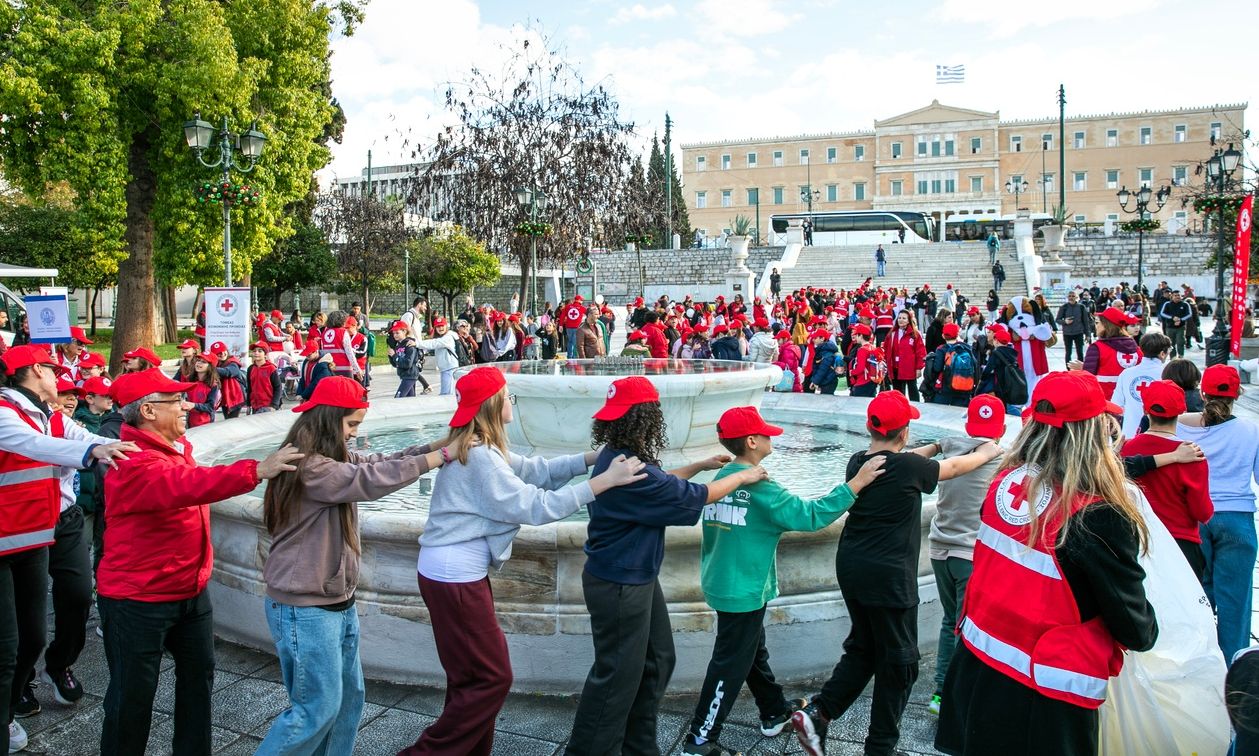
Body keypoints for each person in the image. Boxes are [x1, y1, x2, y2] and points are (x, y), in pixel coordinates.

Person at [401, 368, 645, 755]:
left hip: (452, 572)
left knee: (470, 680)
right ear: (495, 403)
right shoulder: (480, 456)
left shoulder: (480, 444)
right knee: (492, 679)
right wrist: (602, 483)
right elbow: (535, 506)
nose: (511, 400)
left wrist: (590, 459)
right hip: (455, 576)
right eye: (508, 395)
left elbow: (536, 472)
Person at [935, 370, 1158, 756]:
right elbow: (1137, 630)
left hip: (977, 668)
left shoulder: (1005, 480)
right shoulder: (1097, 515)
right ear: (1092, 432)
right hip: (1046, 698)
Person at [96, 368, 302, 756]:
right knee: (131, 700)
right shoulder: (133, 460)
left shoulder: (178, 447)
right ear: (149, 412)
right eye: (176, 401)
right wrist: (256, 470)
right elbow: (187, 486)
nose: (187, 406)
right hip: (137, 601)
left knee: (198, 687)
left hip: (189, 592)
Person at [255, 377, 461, 755]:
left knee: (348, 702)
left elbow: (378, 462)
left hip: (334, 603)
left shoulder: (334, 456)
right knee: (314, 711)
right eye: (350, 425)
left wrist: (436, 445)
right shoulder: (309, 465)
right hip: (305, 610)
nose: (353, 435)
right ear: (327, 419)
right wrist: (442, 457)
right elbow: (369, 479)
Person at [792, 391, 1002, 756]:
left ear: (869, 426)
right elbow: (954, 469)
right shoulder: (908, 469)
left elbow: (905, 460)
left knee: (865, 648)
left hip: (852, 567)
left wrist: (936, 445)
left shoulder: (859, 462)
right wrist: (987, 452)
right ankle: (880, 747)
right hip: (887, 576)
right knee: (901, 664)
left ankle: (819, 714)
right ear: (905, 433)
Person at [567, 377, 769, 755]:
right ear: (648, 417)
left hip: (633, 578)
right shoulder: (623, 463)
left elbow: (661, 482)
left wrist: (699, 464)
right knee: (615, 681)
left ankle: (639, 749)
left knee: (657, 661)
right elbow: (697, 497)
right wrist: (746, 474)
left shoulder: (620, 456)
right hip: (620, 584)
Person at [682, 407, 887, 755]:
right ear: (751, 441)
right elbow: (811, 515)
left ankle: (773, 711)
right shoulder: (762, 488)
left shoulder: (719, 481)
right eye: (764, 433)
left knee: (751, 650)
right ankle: (700, 739)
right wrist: (857, 483)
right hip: (744, 589)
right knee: (729, 664)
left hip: (724, 582)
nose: (770, 437)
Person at [0, 347, 134, 753]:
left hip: (38, 530)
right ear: (37, 370)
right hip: (13, 535)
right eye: (55, 370)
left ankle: (54, 669)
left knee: (50, 622)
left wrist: (138, 451)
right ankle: (8, 710)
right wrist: (92, 453)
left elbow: (83, 436)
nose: (61, 379)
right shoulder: (7, 412)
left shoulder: (50, 414)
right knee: (9, 645)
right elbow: (35, 445)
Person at [926, 395, 1007, 716]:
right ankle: (959, 696)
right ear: (1000, 427)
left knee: (950, 622)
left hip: (938, 549)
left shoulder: (949, 446)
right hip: (969, 555)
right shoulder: (1002, 457)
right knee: (970, 626)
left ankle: (940, 693)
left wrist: (936, 445)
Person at [1176, 365, 1259, 663]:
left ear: (1202, 391)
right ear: (1239, 394)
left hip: (1194, 519)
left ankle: (1199, 663)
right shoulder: (1251, 429)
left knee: (1196, 595)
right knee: (1236, 601)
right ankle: (1234, 668)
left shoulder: (1180, 427)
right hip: (1237, 519)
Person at [1121, 380, 1213, 582]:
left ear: (1146, 410)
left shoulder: (1126, 449)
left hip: (1136, 540)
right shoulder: (1191, 454)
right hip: (1180, 542)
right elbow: (1202, 512)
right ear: (1181, 411)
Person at [1113, 332, 1170, 439]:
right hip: (1159, 435)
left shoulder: (1126, 374)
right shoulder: (1166, 374)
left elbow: (1116, 404)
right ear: (1162, 353)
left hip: (1129, 433)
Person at [1080, 307, 1141, 401]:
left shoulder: (1096, 348)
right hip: (1131, 401)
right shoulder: (1137, 349)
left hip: (1105, 401)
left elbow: (1087, 378)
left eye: (1098, 323)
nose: (1096, 326)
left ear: (1106, 325)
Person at [924, 323, 977, 407]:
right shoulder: (966, 348)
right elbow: (975, 366)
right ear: (957, 335)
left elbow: (937, 368)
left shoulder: (941, 349)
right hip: (964, 387)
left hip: (945, 388)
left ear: (943, 336)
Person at [883, 311, 926, 402]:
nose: (901, 320)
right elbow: (886, 349)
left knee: (912, 391)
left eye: (904, 318)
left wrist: (919, 368)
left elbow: (920, 352)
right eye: (899, 318)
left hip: (909, 368)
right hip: (895, 368)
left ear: (908, 320)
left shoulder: (915, 334)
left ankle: (915, 409)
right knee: (897, 392)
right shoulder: (892, 333)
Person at [412, 318, 461, 395]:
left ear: (446, 326)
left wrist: (417, 344)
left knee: (446, 394)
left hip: (450, 368)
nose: (440, 328)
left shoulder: (448, 337)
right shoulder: (443, 337)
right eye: (438, 327)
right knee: (447, 393)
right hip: (446, 368)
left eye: (442, 326)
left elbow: (433, 343)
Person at [387, 321, 423, 398]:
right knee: (410, 399)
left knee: (398, 398)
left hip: (410, 375)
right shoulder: (398, 345)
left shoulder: (409, 344)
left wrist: (394, 356)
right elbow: (396, 364)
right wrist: (391, 356)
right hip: (404, 375)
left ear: (404, 331)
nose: (395, 335)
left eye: (397, 333)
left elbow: (407, 363)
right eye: (393, 333)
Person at [185, 353, 221, 427]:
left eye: (203, 362)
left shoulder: (213, 385)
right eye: (198, 360)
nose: (199, 363)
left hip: (204, 423)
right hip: (189, 421)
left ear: (210, 367)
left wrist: (194, 405)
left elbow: (210, 407)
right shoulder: (189, 380)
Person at [247, 343, 284, 414]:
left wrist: (274, 405)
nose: (256, 353)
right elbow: (249, 388)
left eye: (260, 351)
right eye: (254, 351)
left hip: (268, 406)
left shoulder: (271, 368)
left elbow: (278, 387)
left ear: (265, 354)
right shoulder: (251, 368)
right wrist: (248, 405)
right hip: (255, 406)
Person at [1057, 291, 1091, 363]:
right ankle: (1068, 370)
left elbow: (1086, 322)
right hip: (1067, 333)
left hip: (1078, 332)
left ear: (1076, 297)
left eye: (1073, 296)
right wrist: (1065, 322)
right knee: (1068, 352)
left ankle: (1080, 369)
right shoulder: (1064, 307)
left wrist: (1088, 334)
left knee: (1080, 352)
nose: (1071, 297)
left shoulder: (1081, 307)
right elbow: (1057, 320)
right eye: (1070, 296)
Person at [1158, 290, 1193, 358]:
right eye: (1175, 295)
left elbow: (1189, 314)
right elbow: (1162, 313)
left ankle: (1181, 356)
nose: (1177, 297)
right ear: (1172, 296)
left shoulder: (1185, 304)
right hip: (1170, 327)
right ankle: (1172, 357)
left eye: (1179, 295)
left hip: (1181, 327)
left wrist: (1180, 319)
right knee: (1171, 343)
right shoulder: (1167, 304)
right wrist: (1172, 318)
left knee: (1180, 342)